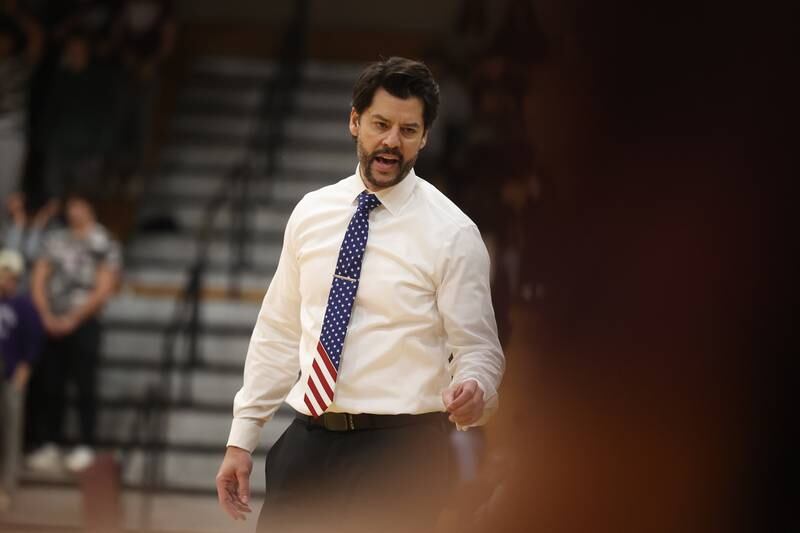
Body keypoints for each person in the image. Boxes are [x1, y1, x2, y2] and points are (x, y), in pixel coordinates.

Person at [215, 57, 505, 533]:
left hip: (402, 455)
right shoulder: (312, 212)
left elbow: (479, 349)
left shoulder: (453, 233)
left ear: (425, 136)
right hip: (308, 444)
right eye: (381, 124)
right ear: (354, 121)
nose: (392, 141)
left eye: (409, 130)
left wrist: (477, 387)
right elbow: (279, 331)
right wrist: (241, 440)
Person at [26, 190, 121, 473]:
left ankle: (86, 444)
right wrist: (45, 314)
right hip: (52, 319)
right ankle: (50, 442)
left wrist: (74, 318)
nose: (73, 211)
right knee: (50, 382)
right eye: (71, 206)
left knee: (84, 384)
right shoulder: (56, 239)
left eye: (79, 205)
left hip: (84, 320)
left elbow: (105, 286)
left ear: (90, 207)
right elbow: (39, 277)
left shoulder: (103, 241)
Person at [0, 248, 44, 513]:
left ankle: (6, 486)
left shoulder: (24, 306)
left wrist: (25, 368)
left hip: (11, 373)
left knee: (11, 429)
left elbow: (34, 339)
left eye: (9, 274)